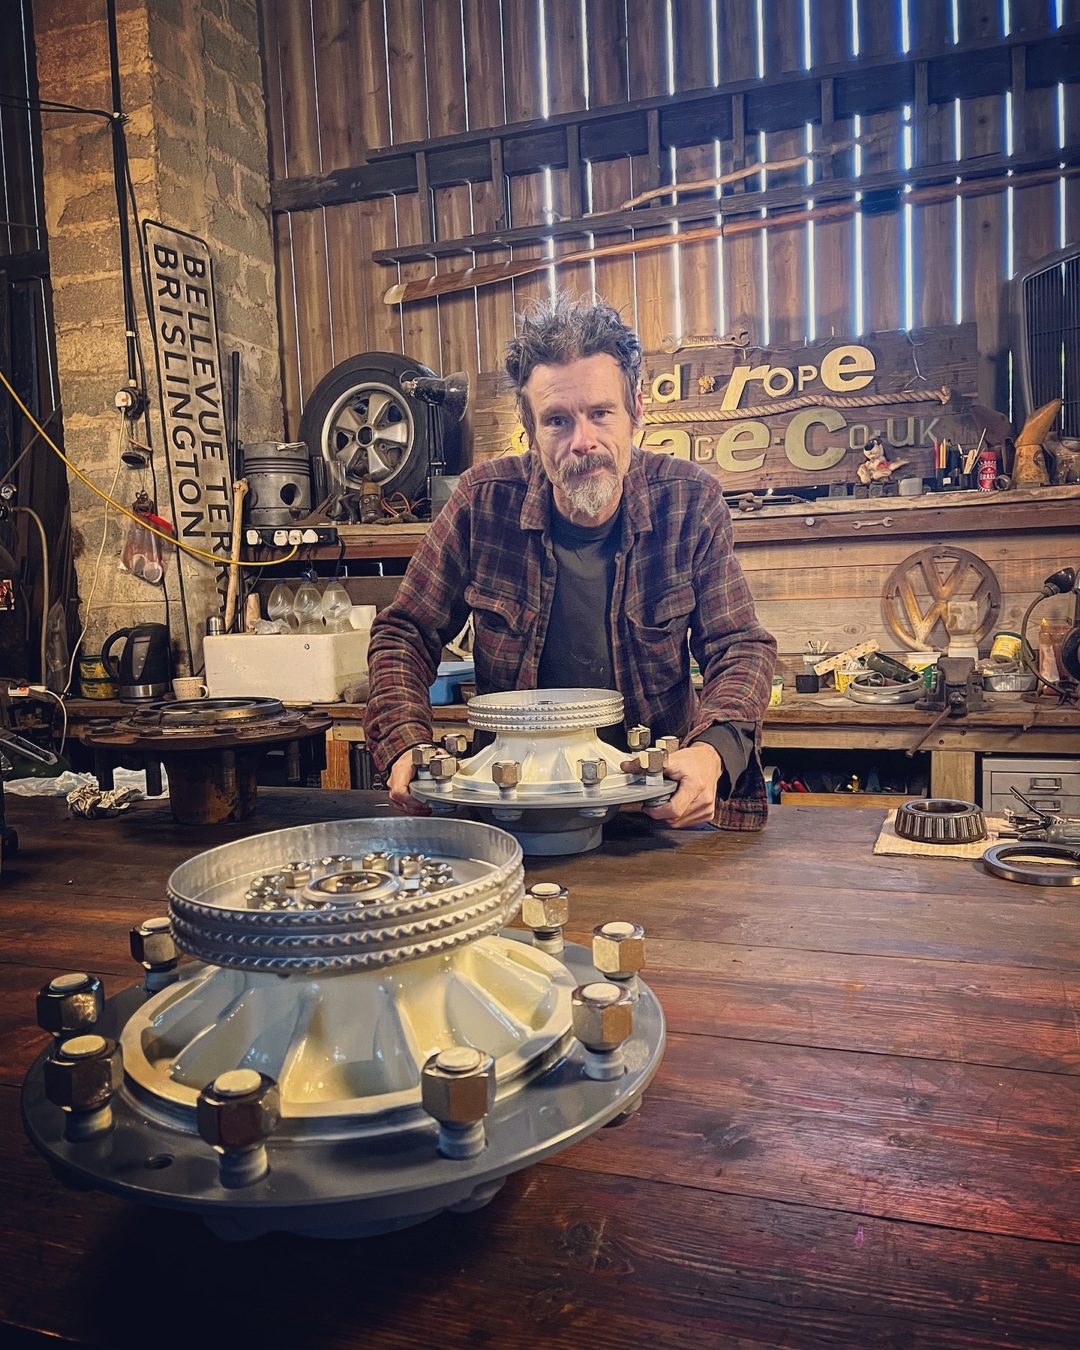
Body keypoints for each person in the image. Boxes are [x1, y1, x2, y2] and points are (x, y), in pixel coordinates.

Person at [364, 296, 777, 830]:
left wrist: (710, 755)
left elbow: (740, 647)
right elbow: (403, 632)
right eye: (557, 420)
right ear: (530, 431)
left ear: (637, 413)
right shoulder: (480, 503)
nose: (583, 442)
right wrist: (405, 743)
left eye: (601, 413)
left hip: (655, 810)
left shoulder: (691, 502)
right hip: (511, 809)